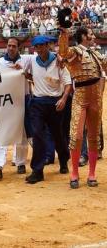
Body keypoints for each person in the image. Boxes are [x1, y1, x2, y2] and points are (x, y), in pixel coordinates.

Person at [59, 27, 107, 188]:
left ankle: (92, 174)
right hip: (80, 96)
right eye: (91, 34)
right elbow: (64, 52)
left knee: (93, 136)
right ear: (83, 37)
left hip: (96, 98)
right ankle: (74, 173)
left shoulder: (95, 54)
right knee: (77, 135)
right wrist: (64, 34)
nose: (93, 36)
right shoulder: (75, 51)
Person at [25, 36, 72, 184]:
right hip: (38, 103)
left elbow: (68, 83)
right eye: (36, 47)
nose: (39, 49)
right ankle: (37, 170)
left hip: (55, 102)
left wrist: (64, 99)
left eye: (41, 46)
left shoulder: (59, 61)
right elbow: (23, 71)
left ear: (47, 46)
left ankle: (63, 160)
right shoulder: (32, 61)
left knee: (58, 135)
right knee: (38, 135)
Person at [0, 37, 29, 180]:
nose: (11, 48)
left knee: (23, 134)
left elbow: (32, 77)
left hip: (23, 100)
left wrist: (23, 71)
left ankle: (21, 162)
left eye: (13, 46)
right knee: (4, 133)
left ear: (19, 48)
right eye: (9, 45)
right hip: (5, 101)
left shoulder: (26, 61)